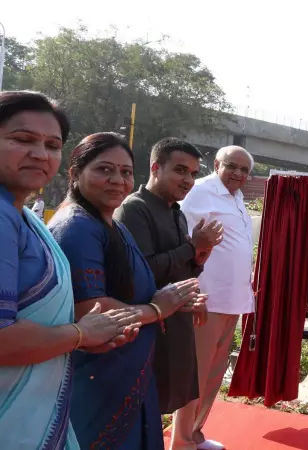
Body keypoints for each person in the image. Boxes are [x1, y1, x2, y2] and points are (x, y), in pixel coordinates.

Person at [0, 91, 144, 450]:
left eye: (52, 144)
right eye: (22, 140)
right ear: (76, 174)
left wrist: (88, 336)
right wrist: (81, 333)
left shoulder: (22, 218)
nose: (40, 153)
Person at [48, 132, 201, 449]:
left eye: (125, 172)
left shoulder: (109, 224)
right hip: (100, 375)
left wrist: (177, 299)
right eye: (104, 169)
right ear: (75, 173)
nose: (117, 180)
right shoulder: (77, 227)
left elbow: (133, 287)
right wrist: (158, 310)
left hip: (129, 368)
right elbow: (90, 310)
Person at [114, 138, 222, 416]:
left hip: (175, 321)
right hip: (147, 323)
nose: (188, 180)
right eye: (180, 170)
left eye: (194, 174)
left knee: (165, 401)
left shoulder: (177, 213)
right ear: (155, 168)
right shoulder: (134, 208)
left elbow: (180, 268)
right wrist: (191, 247)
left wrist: (197, 263)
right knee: (141, 407)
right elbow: (143, 269)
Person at [174, 145, 256, 450]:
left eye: (244, 170)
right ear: (216, 164)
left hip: (232, 300)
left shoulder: (237, 198)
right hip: (207, 299)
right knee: (196, 373)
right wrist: (191, 289)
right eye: (232, 166)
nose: (237, 174)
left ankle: (196, 433)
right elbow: (184, 239)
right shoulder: (201, 192)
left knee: (213, 375)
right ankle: (181, 441)